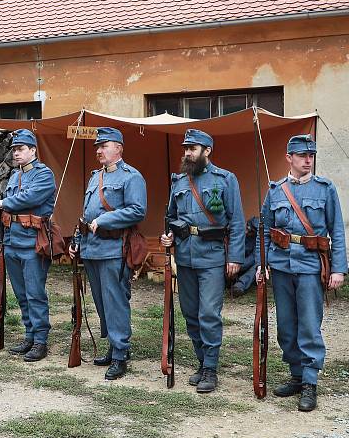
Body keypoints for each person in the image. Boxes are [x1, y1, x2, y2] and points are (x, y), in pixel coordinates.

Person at [256, 134, 347, 411]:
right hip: (282, 266)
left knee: (309, 325)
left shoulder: (325, 189)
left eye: (311, 156)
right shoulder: (275, 190)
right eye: (302, 156)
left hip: (310, 267)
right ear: (289, 158)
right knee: (286, 325)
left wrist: (339, 269)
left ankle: (310, 382)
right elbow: (264, 229)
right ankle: (296, 375)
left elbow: (337, 231)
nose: (308, 160)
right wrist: (262, 263)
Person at [160, 128, 245, 393]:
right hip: (185, 256)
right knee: (190, 314)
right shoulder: (179, 181)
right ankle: (201, 362)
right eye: (186, 148)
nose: (187, 153)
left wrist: (235, 258)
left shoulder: (225, 179)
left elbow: (238, 223)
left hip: (212, 256)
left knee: (209, 313)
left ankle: (211, 368)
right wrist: (169, 237)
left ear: (207, 151)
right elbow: (171, 217)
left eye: (193, 148)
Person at [69, 127, 146, 380]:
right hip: (92, 249)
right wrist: (78, 241)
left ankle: (121, 354)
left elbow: (137, 210)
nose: (99, 151)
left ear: (119, 149)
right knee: (102, 303)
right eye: (97, 147)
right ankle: (114, 347)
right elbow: (86, 213)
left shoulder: (131, 177)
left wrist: (106, 219)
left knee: (115, 302)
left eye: (104, 146)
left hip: (114, 249)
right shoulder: (95, 177)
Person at [0, 129, 56, 362]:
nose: (16, 153)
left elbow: (30, 199)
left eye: (21, 149)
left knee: (35, 293)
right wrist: (3, 241)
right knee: (21, 293)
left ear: (33, 150)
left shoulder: (44, 174)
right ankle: (29, 334)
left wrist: (4, 202)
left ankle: (41, 340)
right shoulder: (14, 176)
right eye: (14, 150)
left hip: (33, 241)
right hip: (12, 240)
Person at [230, 216, 260, 297]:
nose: (246, 231)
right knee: (255, 263)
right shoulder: (236, 234)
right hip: (231, 263)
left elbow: (254, 257)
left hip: (242, 265)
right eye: (246, 227)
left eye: (249, 230)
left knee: (257, 264)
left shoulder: (255, 240)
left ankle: (239, 286)